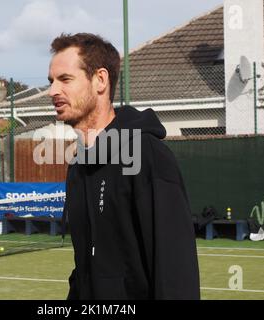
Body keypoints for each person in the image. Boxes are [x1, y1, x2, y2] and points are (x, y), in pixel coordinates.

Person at [48, 33, 200, 300]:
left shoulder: (148, 155)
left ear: (101, 80)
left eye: (65, 79)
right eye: (51, 81)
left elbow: (176, 273)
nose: (52, 91)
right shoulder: (78, 168)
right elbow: (85, 269)